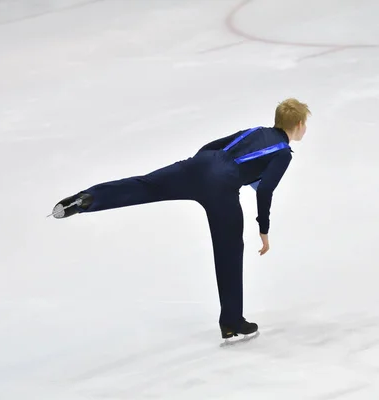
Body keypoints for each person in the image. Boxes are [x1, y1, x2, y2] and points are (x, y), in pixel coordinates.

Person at [50, 98, 311, 339]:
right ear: (298, 125)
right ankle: (232, 321)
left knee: (147, 185)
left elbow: (213, 146)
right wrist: (263, 229)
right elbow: (265, 189)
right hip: (222, 185)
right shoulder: (282, 152)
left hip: (200, 164)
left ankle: (88, 199)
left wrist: (200, 170)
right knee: (229, 251)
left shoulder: (257, 131)